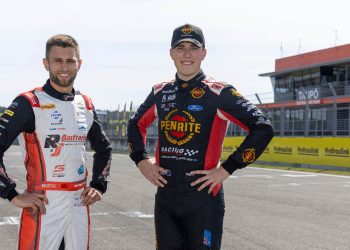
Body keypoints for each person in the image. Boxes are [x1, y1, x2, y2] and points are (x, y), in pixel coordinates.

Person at [127, 24, 274, 250]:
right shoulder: (160, 92)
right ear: (171, 54)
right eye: (180, 47)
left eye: (193, 48)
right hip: (166, 199)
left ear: (203, 53)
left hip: (203, 201)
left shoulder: (219, 92)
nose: (187, 54)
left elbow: (263, 128)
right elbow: (135, 124)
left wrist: (227, 169)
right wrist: (141, 160)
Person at [0, 34, 112, 250]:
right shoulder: (29, 102)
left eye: (70, 61)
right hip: (44, 204)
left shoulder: (85, 104)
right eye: (57, 60)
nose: (64, 67)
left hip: (79, 203)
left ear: (79, 64)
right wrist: (11, 193)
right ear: (46, 64)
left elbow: (104, 148)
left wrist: (99, 184)